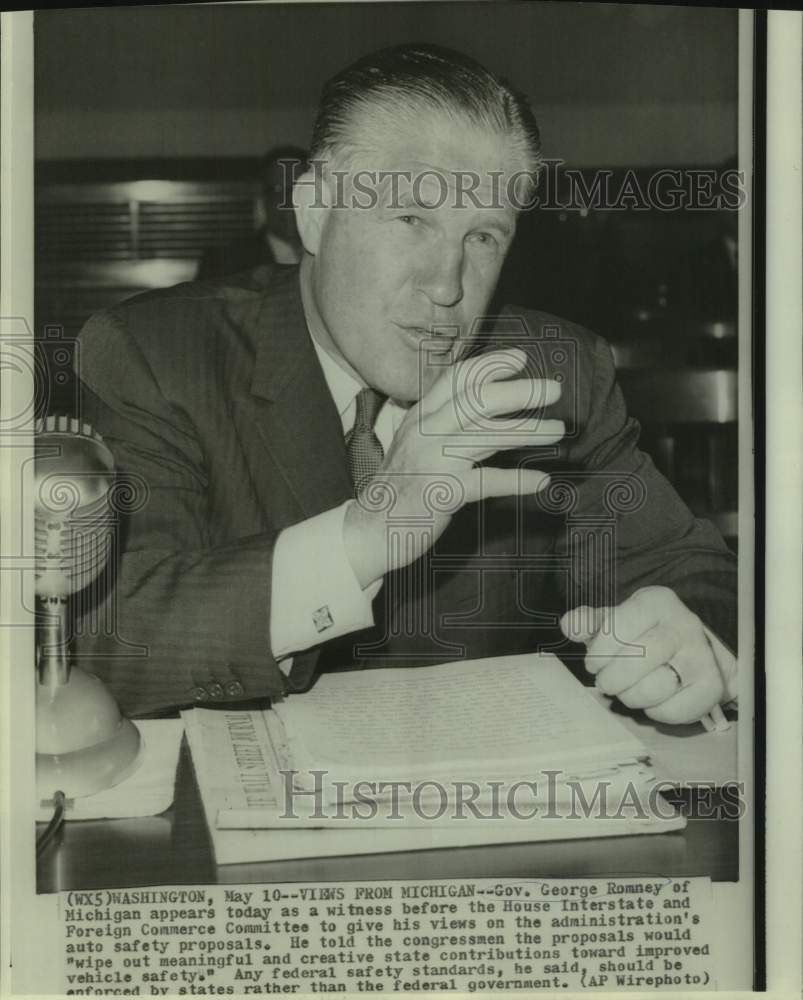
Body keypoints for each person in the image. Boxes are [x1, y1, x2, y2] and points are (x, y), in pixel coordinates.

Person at [74, 44, 737, 723]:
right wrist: (368, 533)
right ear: (311, 210)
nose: (446, 287)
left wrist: (692, 636)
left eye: (482, 237)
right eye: (412, 219)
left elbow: (697, 575)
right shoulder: (156, 355)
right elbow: (102, 644)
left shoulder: (551, 371)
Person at [195, 145, 308, 280]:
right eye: (278, 189)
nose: (289, 200)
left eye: (299, 188)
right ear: (262, 198)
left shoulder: (332, 254)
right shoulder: (223, 262)